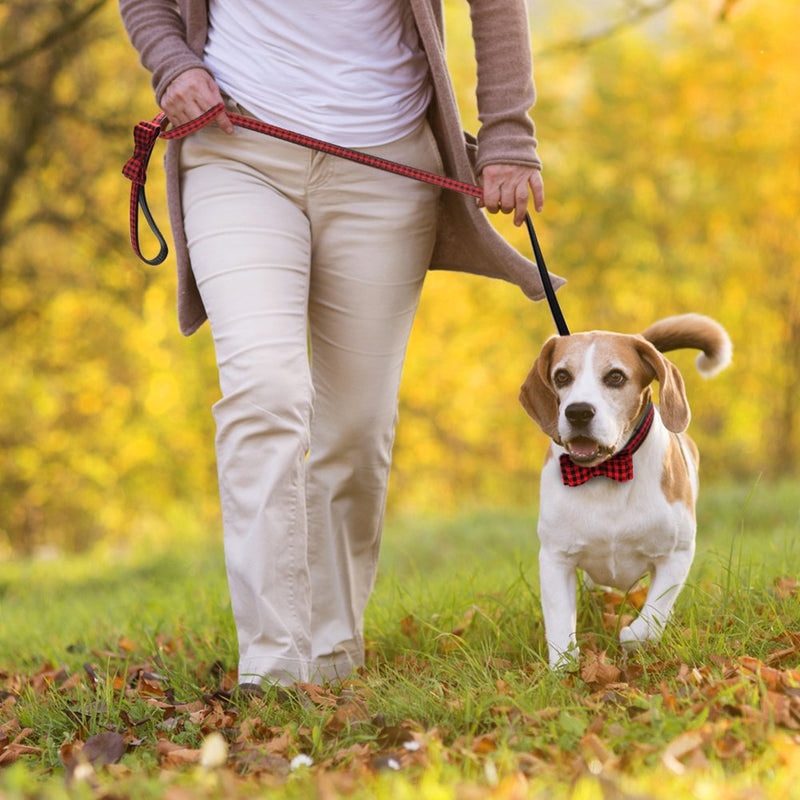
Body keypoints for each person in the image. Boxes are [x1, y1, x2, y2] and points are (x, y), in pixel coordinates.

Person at [119, 0, 562, 689]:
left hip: (384, 168)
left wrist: (507, 136)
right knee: (265, 390)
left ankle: (330, 656)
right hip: (237, 150)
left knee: (354, 429)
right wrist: (171, 62)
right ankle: (273, 667)